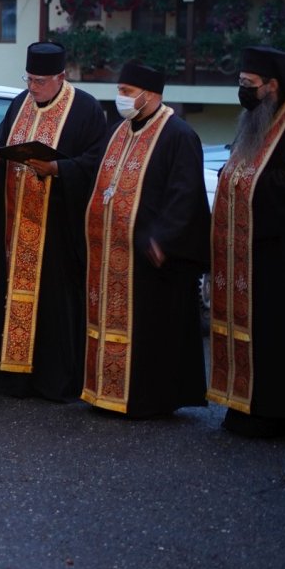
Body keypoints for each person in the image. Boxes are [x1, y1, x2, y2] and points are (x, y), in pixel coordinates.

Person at [207, 47, 285, 437]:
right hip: (252, 252)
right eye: (240, 82)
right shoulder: (255, 121)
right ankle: (243, 406)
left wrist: (245, 183)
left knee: (279, 338)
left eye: (249, 84)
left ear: (273, 85)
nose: (243, 91)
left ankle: (277, 415)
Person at [80, 61, 209, 417]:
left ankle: (145, 400)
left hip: (151, 256)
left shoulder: (178, 134)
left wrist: (163, 238)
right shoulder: (118, 132)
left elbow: (186, 195)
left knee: (150, 330)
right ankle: (105, 391)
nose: (120, 97)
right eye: (119, 90)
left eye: (127, 91)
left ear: (150, 95)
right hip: (111, 252)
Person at [0, 41, 109, 401]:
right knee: (12, 302)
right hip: (15, 226)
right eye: (29, 79)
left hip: (57, 232)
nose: (33, 88)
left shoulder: (85, 108)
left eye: (40, 81)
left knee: (54, 307)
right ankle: (13, 380)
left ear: (61, 77)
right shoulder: (19, 104)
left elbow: (97, 162)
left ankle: (53, 383)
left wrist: (58, 168)